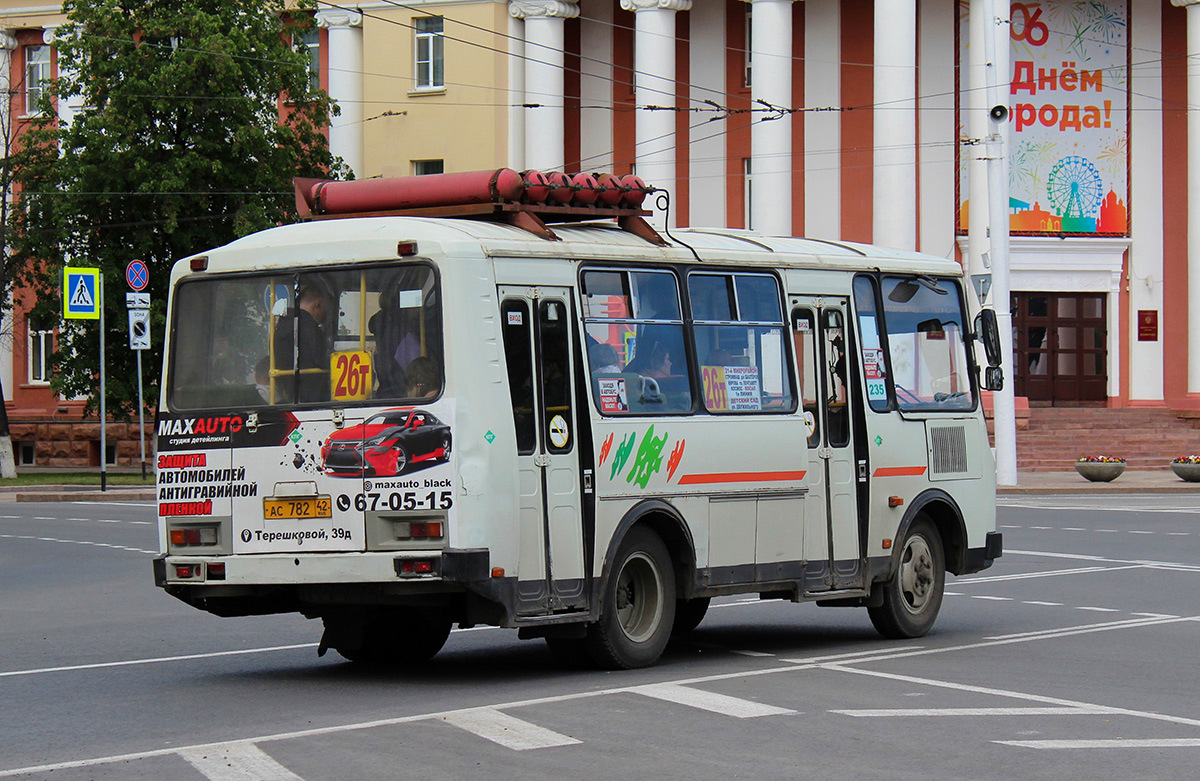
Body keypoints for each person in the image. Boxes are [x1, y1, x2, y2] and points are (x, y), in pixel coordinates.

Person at [274, 284, 331, 402]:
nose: (323, 318)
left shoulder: (281, 326)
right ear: (318, 304)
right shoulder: (309, 327)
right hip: (313, 396)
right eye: (324, 312)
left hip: (290, 393)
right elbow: (321, 359)